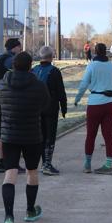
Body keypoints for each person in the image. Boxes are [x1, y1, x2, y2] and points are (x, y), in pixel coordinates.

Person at [0, 51, 49, 223]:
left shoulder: (2, 84)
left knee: (10, 173)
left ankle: (8, 216)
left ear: (13, 66)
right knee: (32, 172)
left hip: (9, 135)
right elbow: (45, 107)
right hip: (32, 135)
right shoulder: (39, 86)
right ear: (30, 66)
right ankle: (29, 210)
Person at [74, 43, 112, 175]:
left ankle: (87, 164)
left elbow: (84, 83)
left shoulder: (92, 65)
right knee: (108, 135)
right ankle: (108, 165)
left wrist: (77, 98)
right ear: (107, 51)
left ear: (95, 52)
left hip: (95, 103)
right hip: (110, 103)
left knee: (91, 135)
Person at [31, 45, 68, 175]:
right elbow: (61, 92)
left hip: (36, 109)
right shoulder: (54, 71)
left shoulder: (34, 70)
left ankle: (42, 163)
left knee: (40, 137)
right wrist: (64, 108)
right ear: (51, 57)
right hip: (51, 108)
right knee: (50, 136)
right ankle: (47, 164)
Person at [0, 38, 23, 173]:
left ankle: (1, 162)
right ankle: (13, 163)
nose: (20, 50)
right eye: (19, 47)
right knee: (14, 130)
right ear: (15, 47)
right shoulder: (11, 59)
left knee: (0, 130)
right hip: (11, 98)